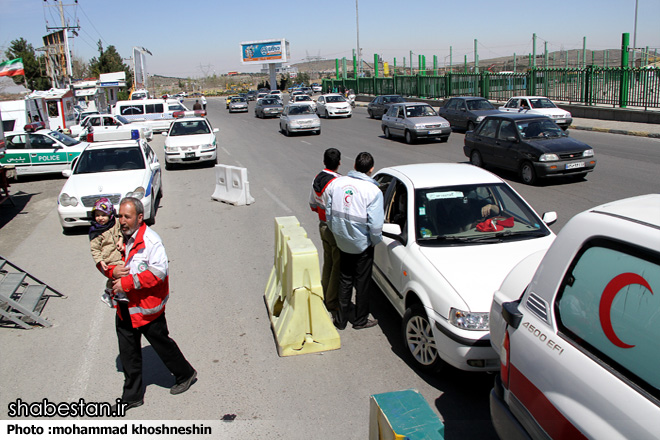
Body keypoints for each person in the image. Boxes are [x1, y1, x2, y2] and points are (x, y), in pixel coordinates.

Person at [107, 197, 196, 412]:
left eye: (127, 216)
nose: (122, 220)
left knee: (162, 345)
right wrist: (112, 272)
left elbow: (158, 272)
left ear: (139, 217)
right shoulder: (122, 238)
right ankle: (132, 396)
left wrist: (127, 282)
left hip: (147, 310)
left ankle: (185, 374)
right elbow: (108, 263)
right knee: (128, 353)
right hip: (125, 308)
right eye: (120, 216)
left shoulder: (151, 241)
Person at [326, 152, 384, 330]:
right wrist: (374, 242)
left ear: (355, 165)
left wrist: (338, 234)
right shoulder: (373, 191)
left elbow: (329, 214)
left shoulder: (336, 184)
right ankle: (360, 320)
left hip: (342, 241)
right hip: (362, 245)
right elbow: (375, 225)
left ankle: (340, 320)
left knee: (345, 280)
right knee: (362, 283)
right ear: (371, 169)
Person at [309, 148, 342, 316]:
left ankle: (324, 291)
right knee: (337, 265)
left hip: (322, 225)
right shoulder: (338, 182)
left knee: (328, 260)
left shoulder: (317, 178)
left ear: (324, 162)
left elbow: (313, 205)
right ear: (339, 163)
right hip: (334, 229)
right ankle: (331, 301)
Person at [89, 198, 128, 307]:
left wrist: (120, 239)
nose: (100, 218)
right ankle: (120, 293)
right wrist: (99, 260)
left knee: (114, 277)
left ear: (110, 214)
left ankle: (108, 293)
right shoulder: (96, 231)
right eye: (97, 215)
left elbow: (120, 230)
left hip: (118, 254)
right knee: (122, 271)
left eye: (103, 215)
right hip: (108, 258)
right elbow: (95, 249)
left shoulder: (114, 222)